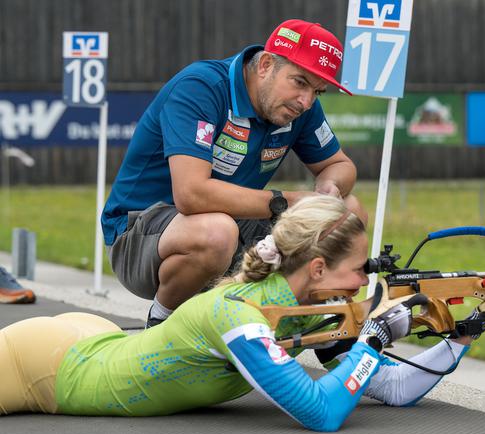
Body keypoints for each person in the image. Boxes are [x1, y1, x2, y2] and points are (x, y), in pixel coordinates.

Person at [0, 196, 485, 430]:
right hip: (47, 366)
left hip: (95, 342)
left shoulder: (307, 310)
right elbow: (322, 413)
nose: (365, 283)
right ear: (320, 269)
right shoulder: (239, 316)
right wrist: (375, 335)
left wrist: (470, 331)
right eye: (359, 271)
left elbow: (394, 389)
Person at [101, 19, 366, 328]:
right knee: (217, 232)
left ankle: (319, 326)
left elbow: (341, 166)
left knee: (347, 210)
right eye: (299, 82)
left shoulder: (298, 107)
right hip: (139, 233)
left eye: (317, 92)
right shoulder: (202, 87)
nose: (306, 101)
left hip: (231, 221)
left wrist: (328, 189)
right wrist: (290, 201)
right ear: (266, 64)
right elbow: (191, 195)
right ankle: (162, 326)